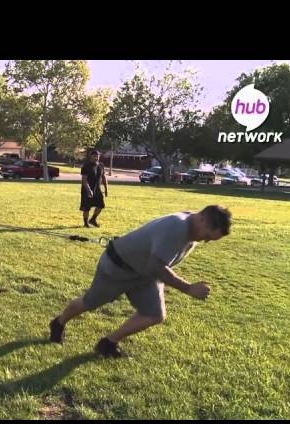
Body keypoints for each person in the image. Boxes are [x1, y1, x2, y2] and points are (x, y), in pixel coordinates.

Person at [49, 205, 232, 358]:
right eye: (208, 236)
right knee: (90, 302)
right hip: (118, 267)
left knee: (154, 314)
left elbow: (156, 265)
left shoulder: (191, 229)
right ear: (202, 219)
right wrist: (188, 288)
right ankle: (59, 322)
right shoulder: (176, 226)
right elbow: (156, 265)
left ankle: (108, 343)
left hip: (145, 275)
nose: (206, 241)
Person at [80, 150, 108, 228]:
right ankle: (86, 223)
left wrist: (106, 189)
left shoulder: (101, 165)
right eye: (94, 156)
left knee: (101, 205)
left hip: (97, 189)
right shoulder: (86, 166)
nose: (96, 158)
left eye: (97, 156)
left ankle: (93, 219)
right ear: (91, 156)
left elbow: (104, 177)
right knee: (86, 208)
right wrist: (89, 190)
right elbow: (84, 180)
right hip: (86, 190)